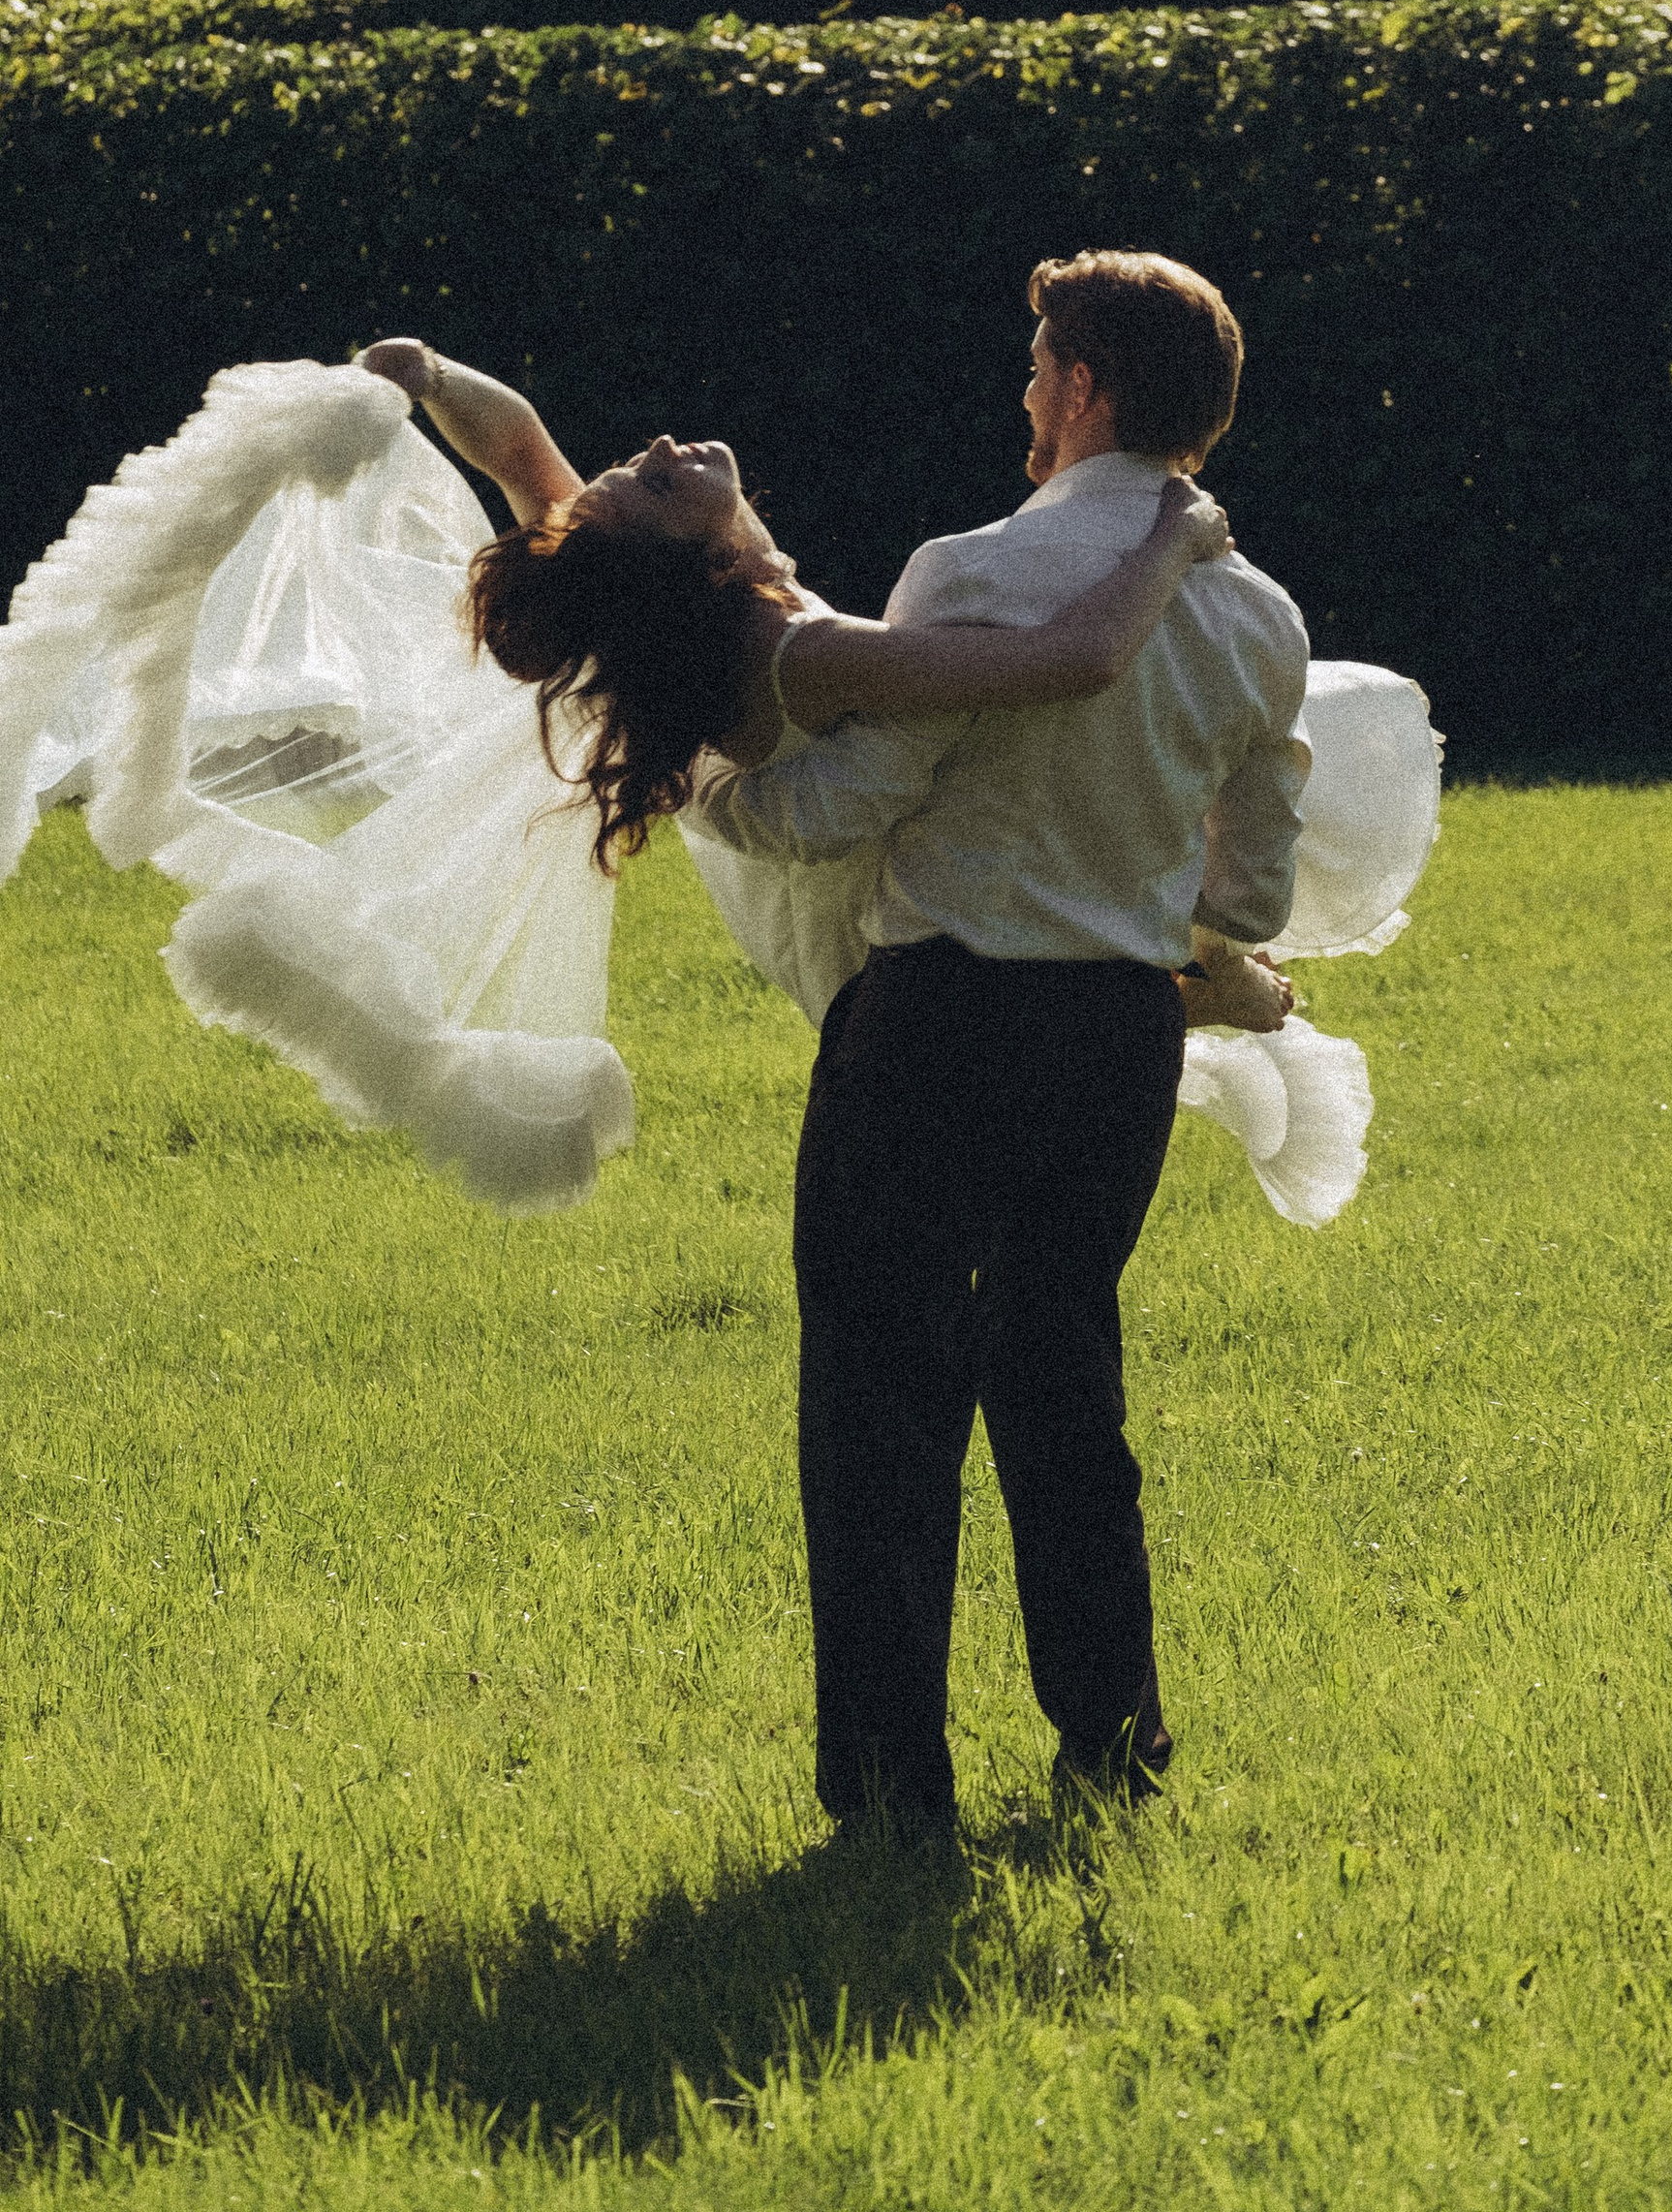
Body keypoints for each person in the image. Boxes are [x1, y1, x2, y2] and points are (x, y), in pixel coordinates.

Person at [691, 248, 1312, 1833]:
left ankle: (895, 1804)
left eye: (1036, 366)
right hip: (1119, 1046)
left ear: (1086, 389)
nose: (1022, 394)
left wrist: (689, 772)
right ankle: (1114, 1756)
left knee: (880, 1412)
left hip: (940, 1028)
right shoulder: (1257, 623)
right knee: (1065, 1391)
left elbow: (831, 817)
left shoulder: (971, 573)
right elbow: (1247, 891)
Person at [351, 340, 1240, 875]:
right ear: (687, 563)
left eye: (636, 460)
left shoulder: (656, 605)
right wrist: (1173, 534)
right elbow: (1071, 664)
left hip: (792, 831)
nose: (662, 443)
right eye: (658, 482)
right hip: (857, 875)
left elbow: (516, 453)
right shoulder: (805, 654)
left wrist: (427, 374)